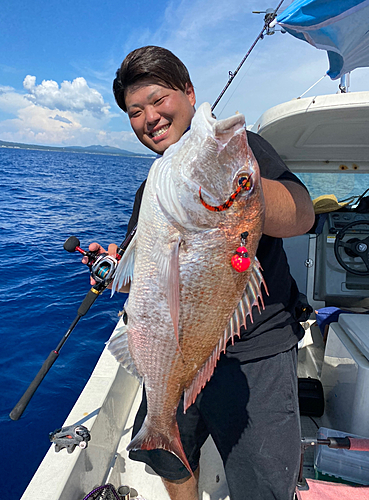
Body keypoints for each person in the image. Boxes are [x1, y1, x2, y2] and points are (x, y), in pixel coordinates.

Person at [88, 46, 315, 500]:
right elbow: (149, 276)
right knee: (168, 452)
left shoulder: (239, 153)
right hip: (174, 352)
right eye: (135, 111)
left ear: (189, 94)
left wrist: (241, 190)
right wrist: (113, 271)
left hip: (256, 353)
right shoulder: (156, 187)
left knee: (265, 481)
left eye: (158, 100)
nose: (149, 117)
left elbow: (304, 214)